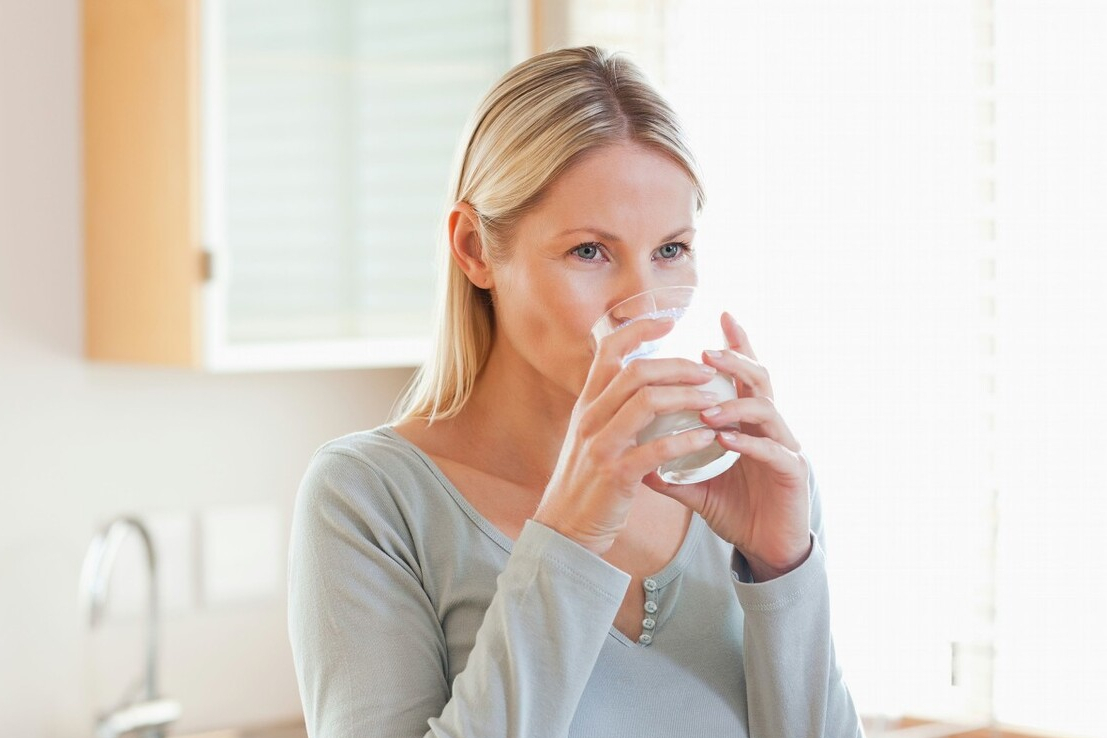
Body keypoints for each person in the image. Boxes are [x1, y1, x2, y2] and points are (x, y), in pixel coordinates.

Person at [288, 46, 864, 737]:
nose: (646, 302)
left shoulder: (743, 484)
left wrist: (782, 571)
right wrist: (568, 539)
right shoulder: (369, 500)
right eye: (589, 252)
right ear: (473, 248)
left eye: (671, 250)